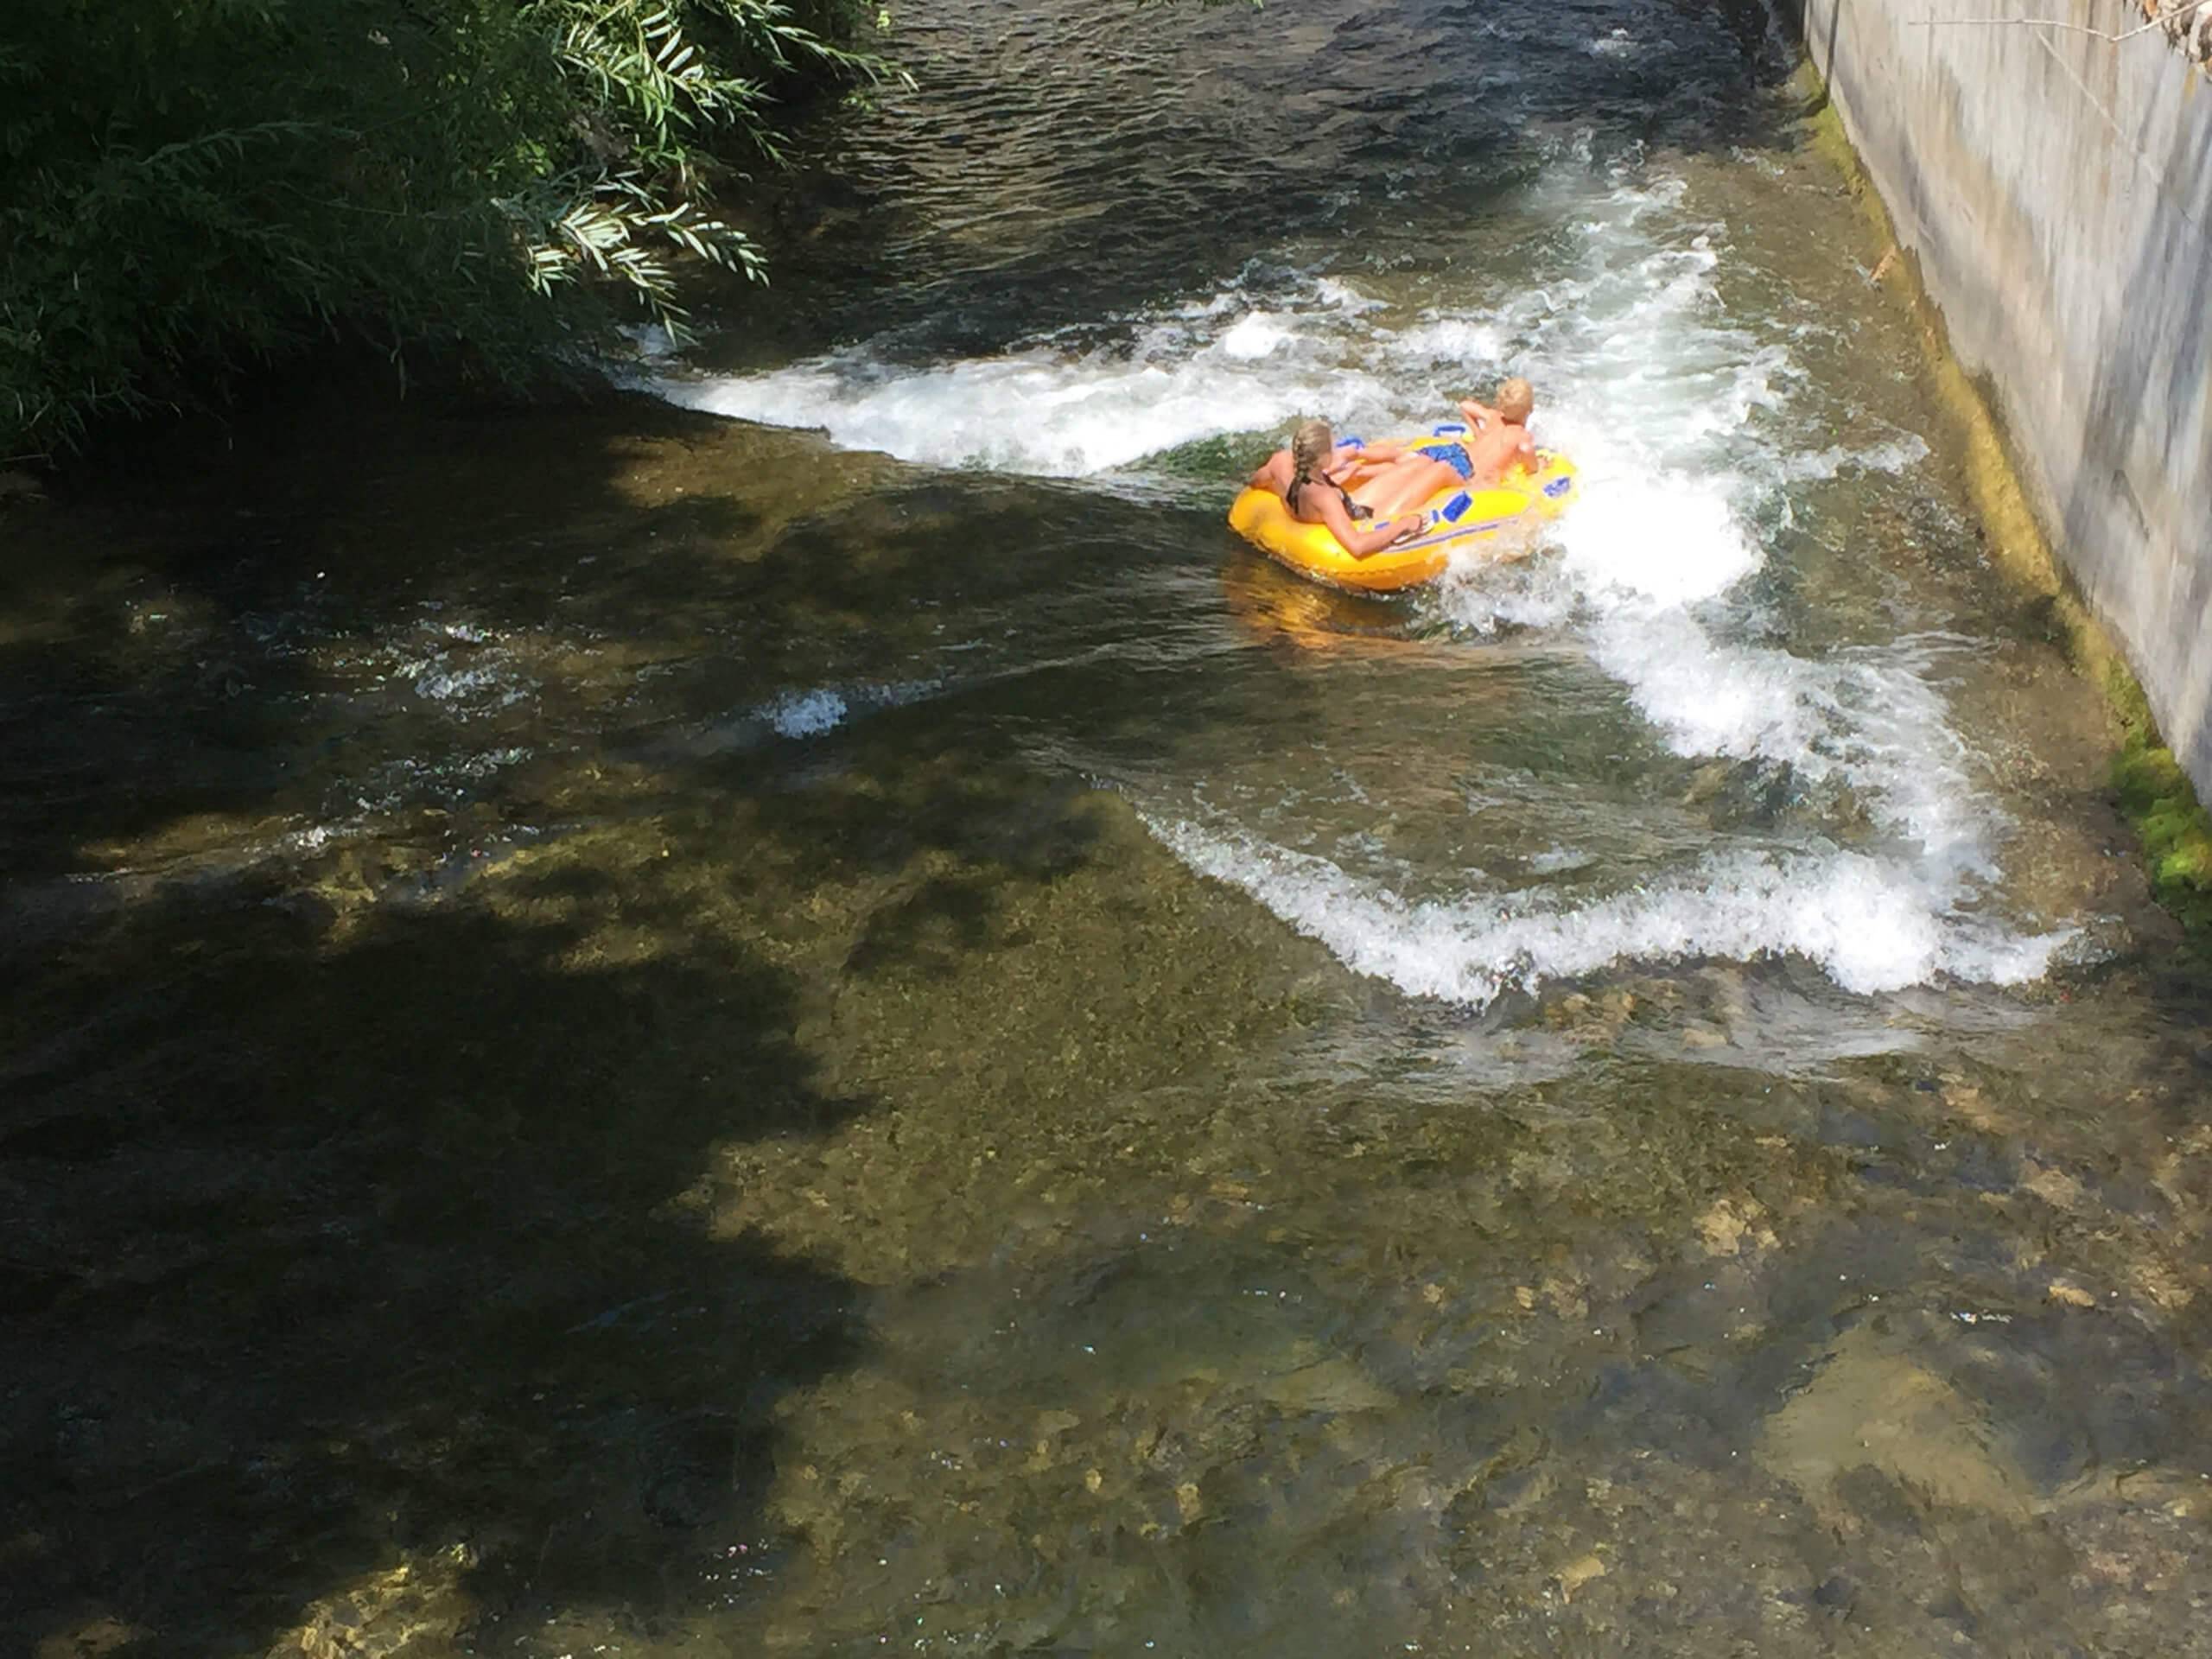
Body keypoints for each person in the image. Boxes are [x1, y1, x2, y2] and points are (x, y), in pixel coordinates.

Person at [1354, 377, 1541, 517]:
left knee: (1414, 465)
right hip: (1464, 469)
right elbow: (1526, 452)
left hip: (1452, 450)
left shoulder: (1493, 416)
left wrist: (1478, 433)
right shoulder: (1521, 436)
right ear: (1529, 409)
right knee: (1432, 477)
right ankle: (1380, 517)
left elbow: (1466, 406)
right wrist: (1537, 465)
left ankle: (1356, 502)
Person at [1250, 420, 1426, 557]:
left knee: (1419, 464)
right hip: (1367, 517)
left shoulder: (1279, 462)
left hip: (1348, 504)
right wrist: (1404, 525)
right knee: (1437, 469)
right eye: (1332, 450)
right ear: (1323, 458)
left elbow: (1256, 482)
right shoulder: (1324, 497)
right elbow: (1357, 546)